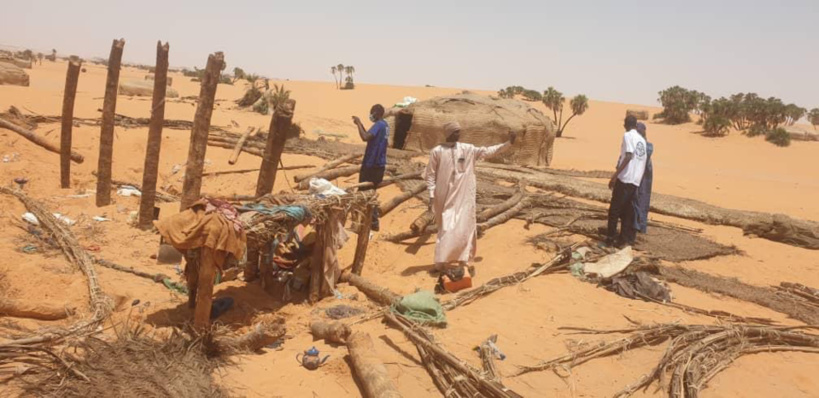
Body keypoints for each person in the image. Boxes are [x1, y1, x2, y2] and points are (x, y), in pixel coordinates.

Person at [424, 121, 516, 274]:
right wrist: (432, 195)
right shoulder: (437, 151)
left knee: (465, 227)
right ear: (448, 134)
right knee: (445, 227)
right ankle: (441, 262)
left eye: (459, 131)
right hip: (444, 196)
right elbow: (430, 175)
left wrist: (508, 143)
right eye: (455, 132)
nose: (458, 134)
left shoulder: (468, 149)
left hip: (464, 196)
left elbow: (488, 152)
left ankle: (463, 260)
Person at [606, 115, 647, 247]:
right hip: (635, 181)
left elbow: (628, 155)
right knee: (627, 212)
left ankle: (610, 239)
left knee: (614, 210)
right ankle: (622, 240)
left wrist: (615, 176)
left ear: (625, 125)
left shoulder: (628, 136)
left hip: (625, 179)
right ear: (636, 125)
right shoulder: (642, 141)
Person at [352, 104, 389, 231]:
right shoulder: (385, 125)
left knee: (363, 193)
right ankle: (372, 221)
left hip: (371, 165)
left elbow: (365, 137)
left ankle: (360, 223)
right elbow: (369, 135)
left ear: (376, 113)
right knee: (370, 193)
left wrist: (358, 123)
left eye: (372, 113)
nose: (371, 115)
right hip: (379, 166)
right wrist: (361, 124)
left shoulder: (379, 125)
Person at [632, 122, 654, 234]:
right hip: (637, 177)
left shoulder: (647, 146)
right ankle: (636, 225)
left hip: (643, 179)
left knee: (642, 200)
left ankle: (640, 225)